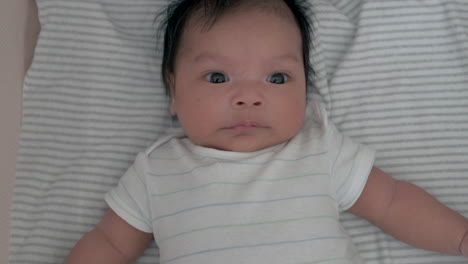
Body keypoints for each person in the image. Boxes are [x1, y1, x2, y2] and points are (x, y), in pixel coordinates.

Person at [65, 0, 468, 263]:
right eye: (218, 76)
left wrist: (460, 236)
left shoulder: (318, 148)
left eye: (277, 77)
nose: (249, 97)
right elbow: (111, 243)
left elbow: (393, 202)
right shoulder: (156, 170)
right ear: (174, 92)